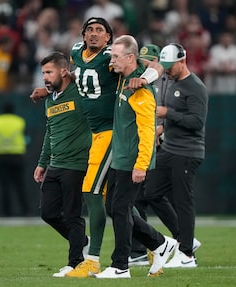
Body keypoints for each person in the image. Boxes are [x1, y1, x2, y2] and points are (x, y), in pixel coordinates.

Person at [30, 17, 164, 278]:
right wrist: (49, 89)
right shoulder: (77, 52)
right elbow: (74, 77)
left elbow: (155, 64)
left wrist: (146, 78)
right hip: (95, 134)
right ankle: (157, 242)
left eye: (99, 30)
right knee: (112, 201)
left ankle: (92, 259)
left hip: (110, 132)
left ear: (108, 37)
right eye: (89, 29)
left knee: (91, 192)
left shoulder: (112, 57)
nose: (93, 34)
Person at [94, 35, 177, 279]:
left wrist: (141, 165)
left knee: (120, 208)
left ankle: (120, 266)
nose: (112, 61)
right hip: (121, 156)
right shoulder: (125, 76)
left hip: (132, 159)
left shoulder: (140, 90)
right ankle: (161, 243)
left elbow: (147, 131)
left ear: (130, 58)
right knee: (113, 207)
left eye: (117, 57)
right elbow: (148, 65)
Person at [129, 44, 202, 267]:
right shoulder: (172, 82)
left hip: (187, 150)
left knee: (183, 200)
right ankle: (183, 239)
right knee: (149, 192)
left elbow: (197, 122)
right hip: (169, 148)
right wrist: (162, 128)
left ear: (183, 61)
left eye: (170, 66)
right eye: (165, 67)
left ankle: (187, 253)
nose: (167, 70)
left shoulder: (194, 87)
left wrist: (168, 115)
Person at [32, 52, 91, 277]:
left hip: (77, 164)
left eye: (49, 72)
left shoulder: (80, 92)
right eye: (43, 73)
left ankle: (76, 262)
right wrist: (42, 162)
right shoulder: (50, 99)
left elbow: (90, 76)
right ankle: (82, 241)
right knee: (48, 213)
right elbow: (50, 133)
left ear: (64, 71)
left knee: (73, 215)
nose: (45, 77)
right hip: (55, 164)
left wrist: (74, 75)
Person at [0, 102, 29, 217]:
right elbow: (26, 137)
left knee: (4, 186)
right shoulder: (19, 121)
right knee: (20, 185)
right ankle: (25, 211)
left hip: (0, 156)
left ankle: (6, 212)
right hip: (17, 156)